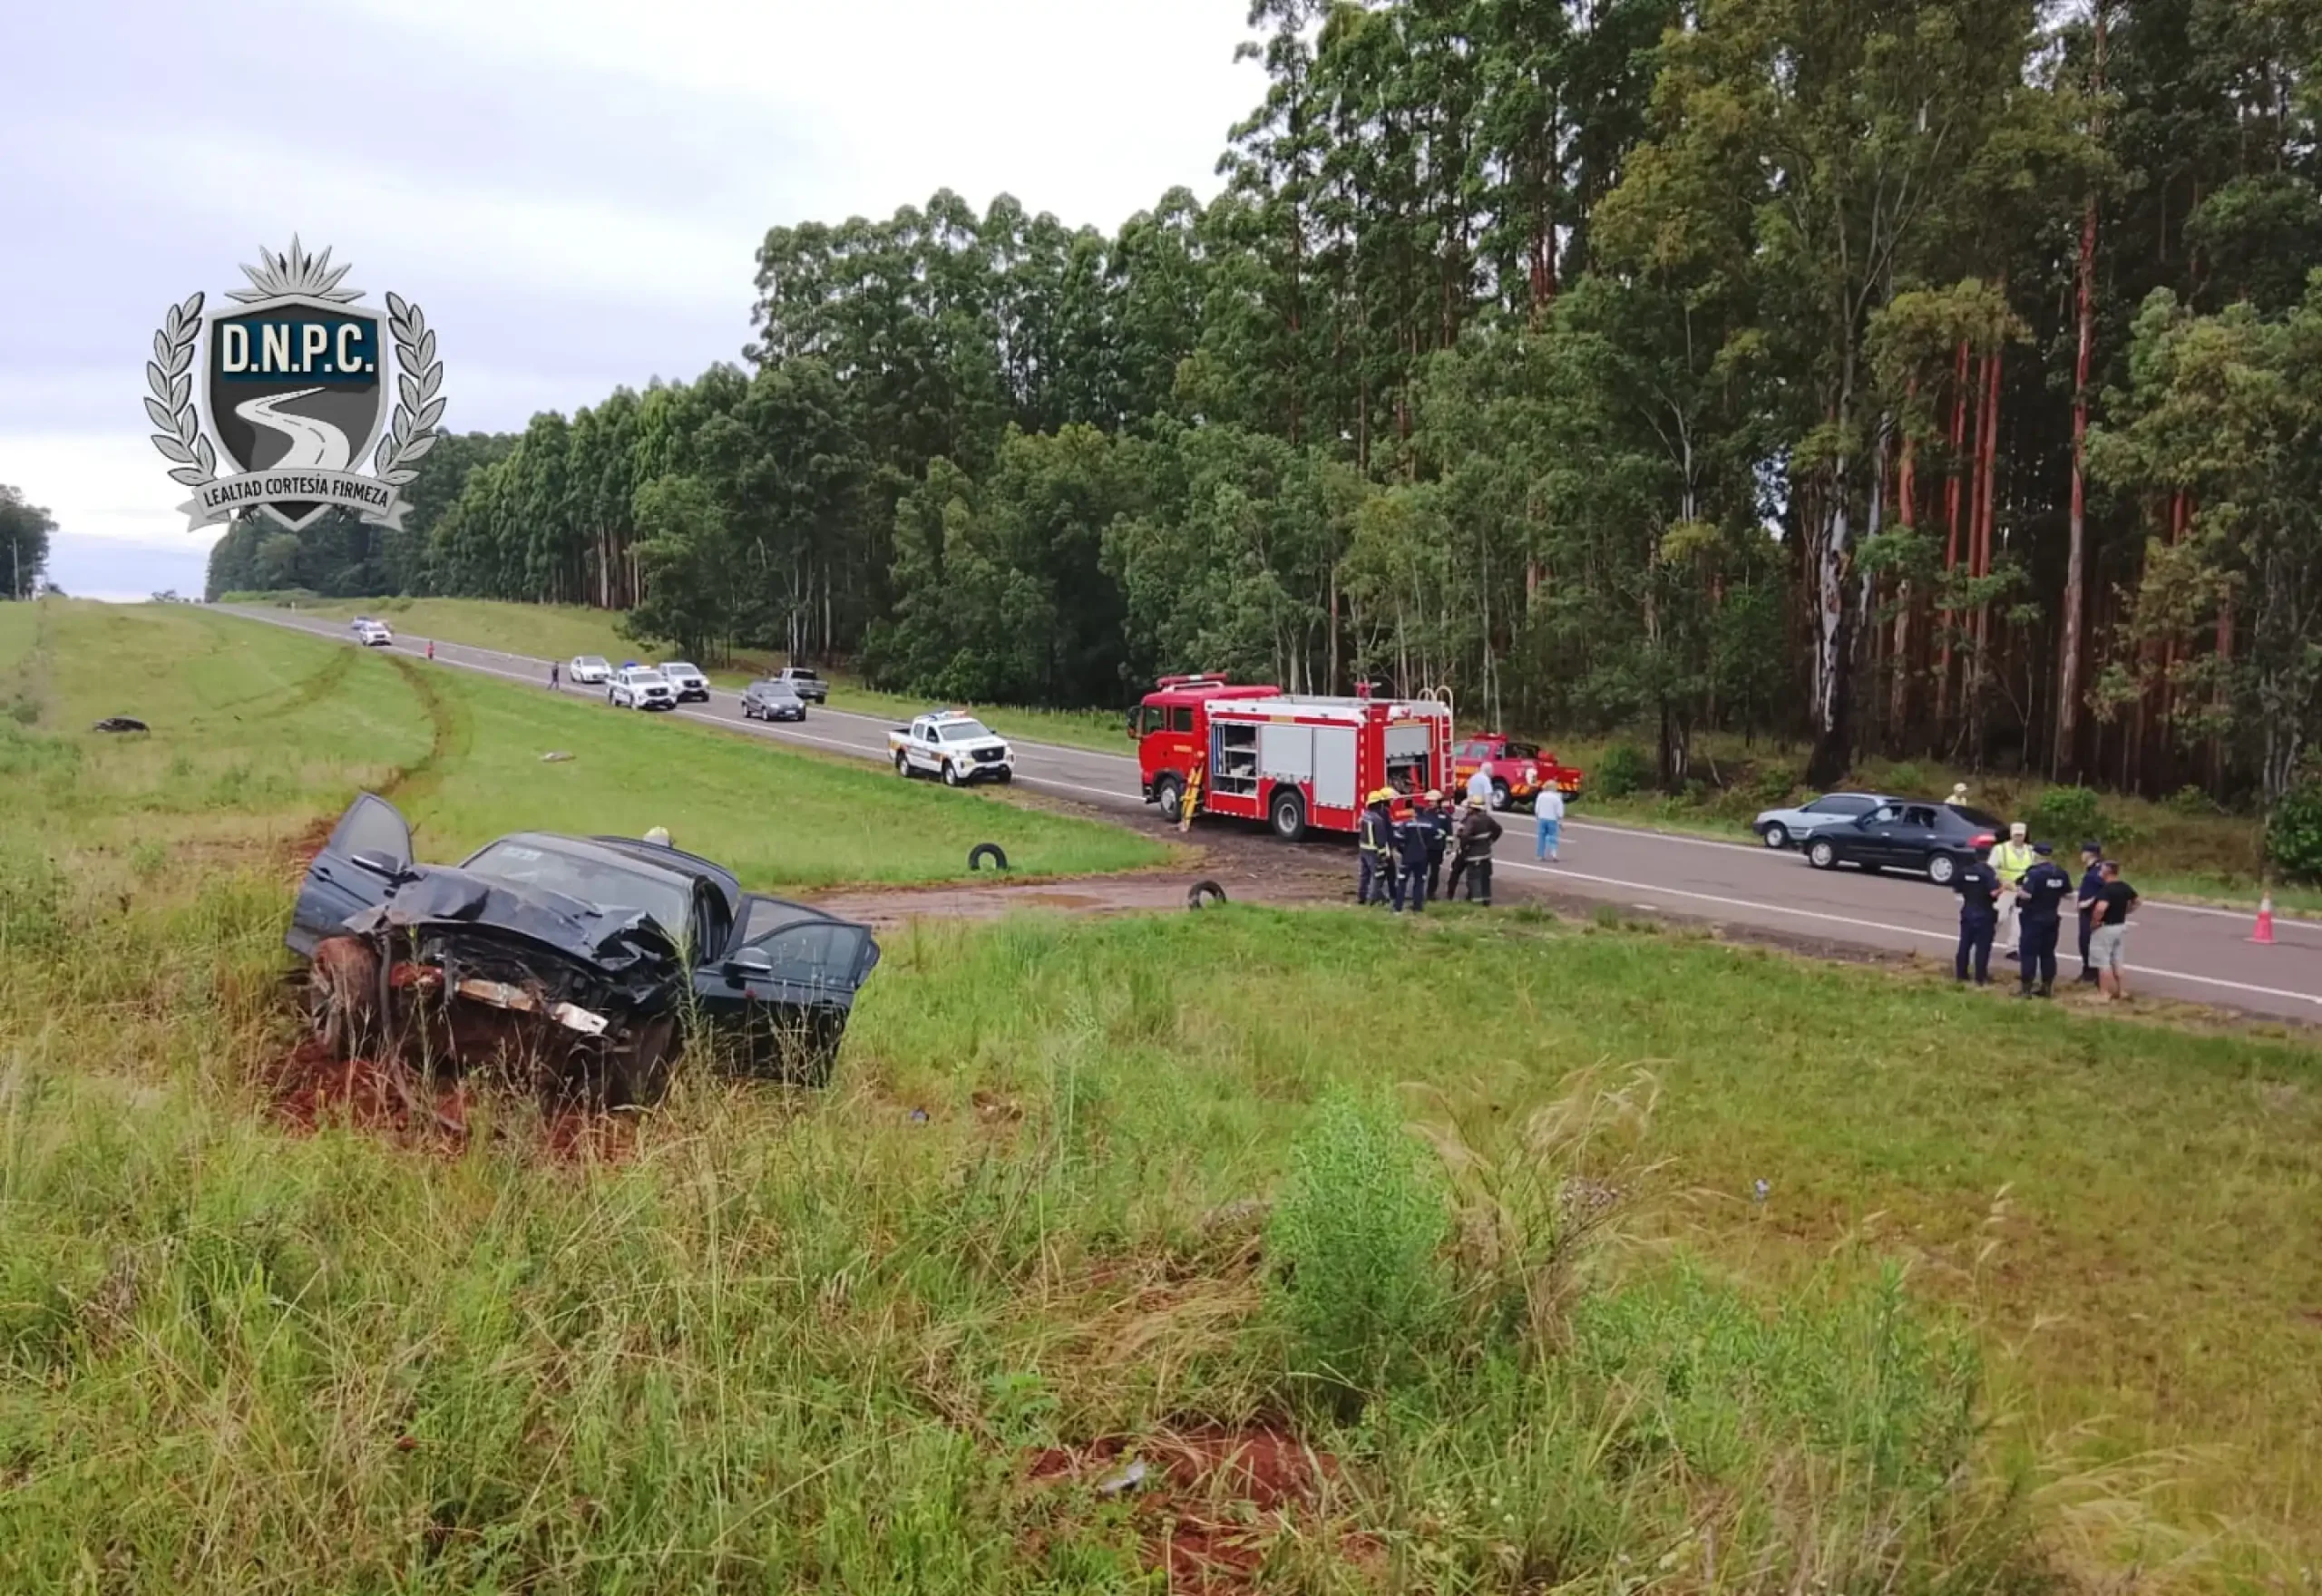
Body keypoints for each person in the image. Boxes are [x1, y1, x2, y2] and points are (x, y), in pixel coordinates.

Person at [2013, 842, 2073, 998]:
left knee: (2029, 953)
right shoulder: (2060, 873)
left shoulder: (2034, 874)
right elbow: (2068, 894)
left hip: (2033, 918)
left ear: (2036, 855)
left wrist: (2017, 890)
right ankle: (2047, 987)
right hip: (2052, 917)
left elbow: (2028, 895)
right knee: (2048, 954)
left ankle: (2026, 989)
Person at [2089, 861, 2139, 1001]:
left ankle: (2104, 993)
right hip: (2120, 926)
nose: (2099, 872)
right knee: (2117, 960)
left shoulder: (2106, 890)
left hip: (2106, 927)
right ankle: (2121, 990)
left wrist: (2095, 921)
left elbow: (2100, 908)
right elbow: (2137, 901)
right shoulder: (2124, 887)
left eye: (2102, 870)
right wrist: (2127, 911)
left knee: (2102, 961)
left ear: (2108, 872)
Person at [1953, 851, 2001, 986]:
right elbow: (1993, 893)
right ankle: (1980, 977)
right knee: (1982, 947)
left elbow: (1957, 888)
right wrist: (2003, 887)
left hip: (1968, 911)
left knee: (1964, 944)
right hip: (1984, 912)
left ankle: (1961, 974)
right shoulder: (1988, 872)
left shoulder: (1965, 871)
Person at [1989, 822, 2034, 960]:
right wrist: (2002, 882)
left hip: (2022, 889)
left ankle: (2013, 949)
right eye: (2016, 835)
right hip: (2005, 888)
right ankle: (1986, 940)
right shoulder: (2000, 849)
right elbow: (1991, 868)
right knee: (1999, 917)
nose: (2018, 838)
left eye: (2021, 835)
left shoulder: (2031, 850)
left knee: (2018, 922)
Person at [1456, 797, 1503, 905]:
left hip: (1474, 856)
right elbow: (1498, 829)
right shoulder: (1487, 818)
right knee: (1485, 878)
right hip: (1486, 855)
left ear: (1472, 808)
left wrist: (1463, 845)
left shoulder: (1472, 820)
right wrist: (1490, 840)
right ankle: (1486, 901)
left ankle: (1476, 903)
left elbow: (1465, 836)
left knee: (1474, 879)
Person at [1392, 794, 1433, 913]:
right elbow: (1435, 839)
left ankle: (1397, 908)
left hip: (1408, 858)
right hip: (1423, 858)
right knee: (1419, 882)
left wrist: (1402, 851)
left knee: (1402, 882)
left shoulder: (1406, 824)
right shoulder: (1429, 825)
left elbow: (1398, 839)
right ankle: (1417, 907)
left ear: (1414, 812)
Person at [1357, 789, 1397, 906]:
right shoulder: (1378, 819)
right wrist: (1384, 855)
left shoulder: (1365, 816)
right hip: (1374, 851)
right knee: (1378, 875)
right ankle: (1374, 899)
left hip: (1363, 849)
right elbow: (1381, 839)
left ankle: (1362, 897)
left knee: (1365, 875)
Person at [2073, 840, 2105, 984]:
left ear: (2089, 854)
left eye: (2083, 852)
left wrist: (2088, 902)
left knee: (2088, 943)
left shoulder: (2096, 873)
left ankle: (2093, 973)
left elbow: (2104, 891)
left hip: (2091, 913)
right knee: (2085, 943)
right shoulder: (2093, 870)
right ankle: (2088, 971)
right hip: (2087, 912)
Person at [1422, 790, 1450, 900]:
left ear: (1439, 802)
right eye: (1429, 801)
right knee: (1422, 871)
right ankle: (1419, 892)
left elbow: (1449, 832)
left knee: (1435, 872)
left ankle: (1431, 893)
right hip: (1426, 847)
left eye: (1433, 801)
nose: (1430, 803)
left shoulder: (1445, 815)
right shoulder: (1425, 813)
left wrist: (1449, 846)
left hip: (1438, 848)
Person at [1534, 782, 1565, 861]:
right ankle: (1554, 854)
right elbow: (1560, 812)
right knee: (1553, 837)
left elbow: (1537, 808)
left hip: (1542, 818)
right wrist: (1560, 820)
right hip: (1552, 819)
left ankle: (1540, 855)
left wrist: (1537, 816)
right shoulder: (1557, 797)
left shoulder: (1541, 796)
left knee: (1541, 837)